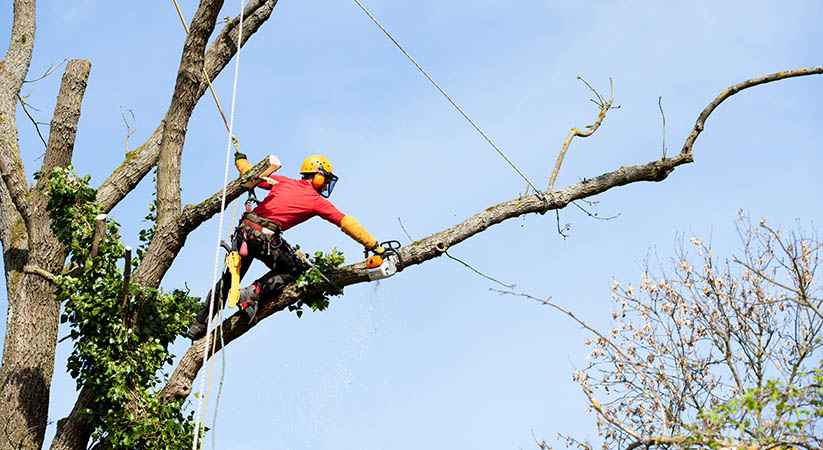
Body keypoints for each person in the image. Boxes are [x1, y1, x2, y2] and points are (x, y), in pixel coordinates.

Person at [185, 154, 383, 340]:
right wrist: (373, 245)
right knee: (294, 270)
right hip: (263, 239)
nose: (324, 187)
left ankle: (199, 324)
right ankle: (251, 293)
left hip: (244, 234)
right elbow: (346, 222)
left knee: (228, 282)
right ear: (319, 178)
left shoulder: (283, 181)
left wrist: (241, 159)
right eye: (325, 180)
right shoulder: (316, 201)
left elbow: (251, 172)